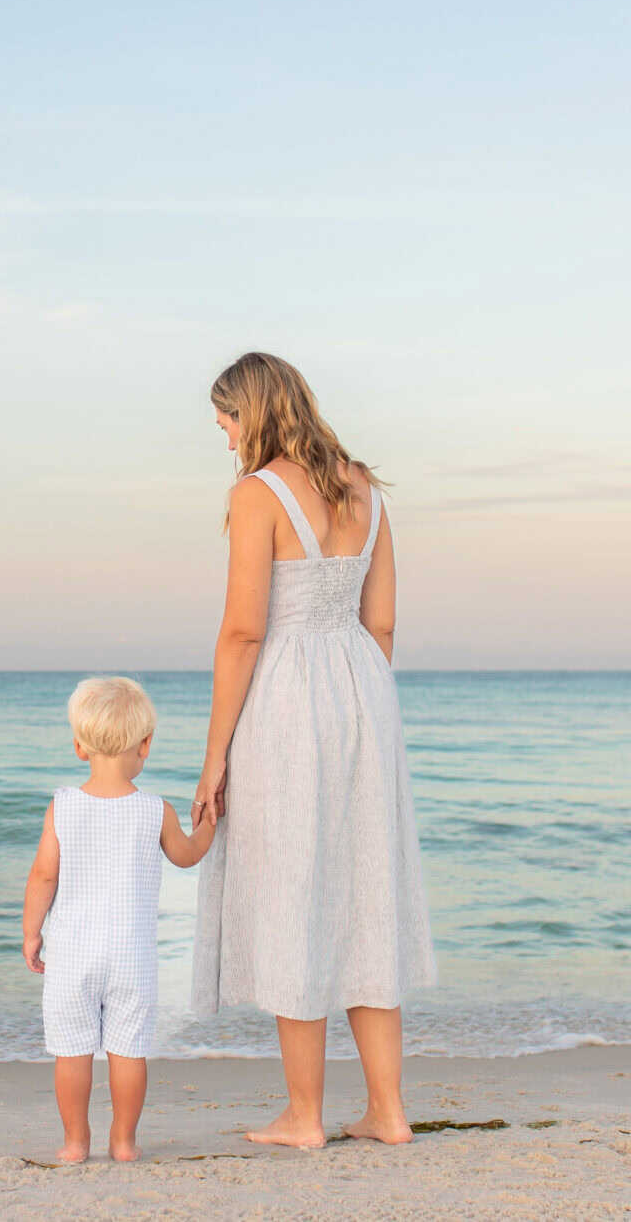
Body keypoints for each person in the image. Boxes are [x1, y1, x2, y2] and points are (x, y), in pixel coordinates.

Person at [190, 351, 436, 1149]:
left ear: (254, 411)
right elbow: (385, 621)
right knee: (368, 892)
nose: (223, 434)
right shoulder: (362, 483)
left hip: (289, 695)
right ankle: (389, 1110)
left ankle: (305, 1114)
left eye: (227, 417)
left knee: (298, 889)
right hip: (366, 690)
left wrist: (214, 753)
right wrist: (361, 704)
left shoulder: (256, 494)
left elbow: (242, 630)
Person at [22, 677, 214, 1163]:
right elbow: (189, 856)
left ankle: (75, 1142)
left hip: (71, 954)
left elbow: (43, 876)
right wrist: (210, 819)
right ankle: (124, 1142)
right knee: (129, 1053)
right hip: (131, 956)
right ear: (145, 745)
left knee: (73, 1052)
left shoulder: (63, 805)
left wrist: (31, 933)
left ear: (79, 746)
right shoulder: (156, 811)